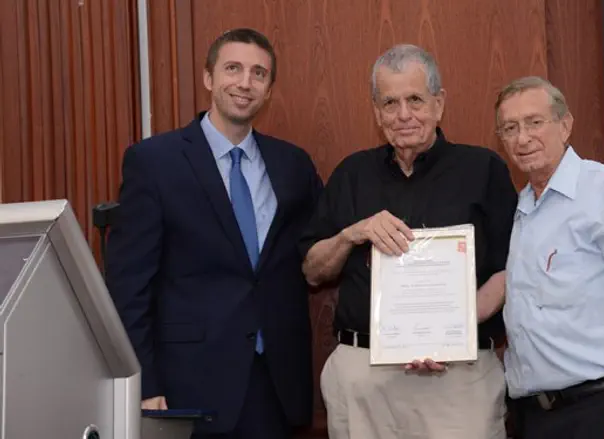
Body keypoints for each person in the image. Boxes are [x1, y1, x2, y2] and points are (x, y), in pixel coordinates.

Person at [105, 28, 321, 439]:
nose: (245, 82)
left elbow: (317, 250)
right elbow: (127, 286)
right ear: (208, 78)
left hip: (273, 385)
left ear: (269, 89)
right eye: (233, 68)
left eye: (259, 73)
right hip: (188, 385)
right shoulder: (154, 162)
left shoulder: (292, 165)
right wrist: (144, 383)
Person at [299, 44, 517, 439]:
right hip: (364, 379)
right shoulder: (351, 174)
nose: (403, 115)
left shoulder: (484, 169)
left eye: (415, 99)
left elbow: (510, 270)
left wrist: (448, 330)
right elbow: (313, 271)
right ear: (376, 110)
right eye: (390, 102)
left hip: (457, 379)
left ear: (439, 103)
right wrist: (353, 233)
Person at [493, 76, 604, 439]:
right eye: (510, 128)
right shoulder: (522, 208)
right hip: (531, 418)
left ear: (565, 125)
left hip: (599, 413)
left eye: (534, 123)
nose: (522, 138)